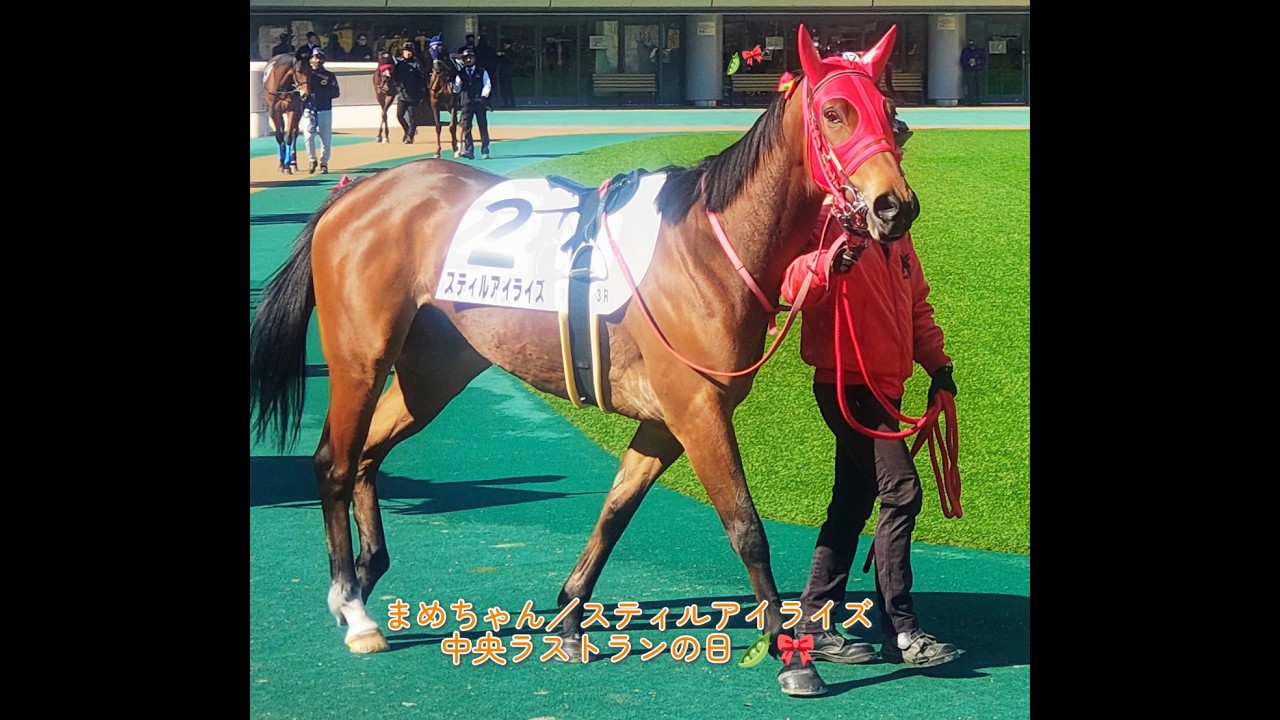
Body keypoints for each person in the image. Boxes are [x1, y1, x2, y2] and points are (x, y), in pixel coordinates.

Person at [776, 120, 960, 686]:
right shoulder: (825, 218)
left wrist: (940, 369)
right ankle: (902, 629)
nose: (892, 161)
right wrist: (827, 263)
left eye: (896, 150)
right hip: (847, 385)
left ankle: (813, 624)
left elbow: (917, 304)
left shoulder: (896, 228)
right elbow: (790, 286)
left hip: (888, 385)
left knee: (851, 507)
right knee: (901, 492)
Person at [302, 48, 340, 174]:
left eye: (319, 57)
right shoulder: (306, 75)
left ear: (323, 59)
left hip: (325, 110)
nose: (316, 60)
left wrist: (322, 93)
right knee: (308, 137)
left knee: (325, 138)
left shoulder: (329, 76)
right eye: (314, 57)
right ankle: (312, 160)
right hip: (309, 110)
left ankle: (324, 163)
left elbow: (336, 93)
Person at [451, 48, 492, 159]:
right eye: (466, 58)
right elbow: (457, 89)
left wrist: (484, 96)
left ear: (474, 58)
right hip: (466, 103)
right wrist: (451, 84)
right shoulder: (461, 73)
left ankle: (485, 149)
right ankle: (469, 150)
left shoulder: (482, 71)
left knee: (482, 125)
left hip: (479, 102)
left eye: (470, 57)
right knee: (466, 127)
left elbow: (487, 84)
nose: (468, 59)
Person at [391, 42, 427, 143]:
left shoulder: (417, 64)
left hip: (414, 95)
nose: (408, 53)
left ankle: (409, 137)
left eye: (410, 51)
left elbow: (423, 78)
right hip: (402, 94)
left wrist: (421, 92)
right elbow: (395, 77)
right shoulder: (399, 63)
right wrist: (397, 87)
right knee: (399, 115)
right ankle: (408, 131)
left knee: (413, 117)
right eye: (406, 51)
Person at [960, 39, 987, 106]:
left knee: (978, 87)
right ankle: (971, 101)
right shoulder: (965, 51)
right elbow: (962, 60)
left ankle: (978, 101)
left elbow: (983, 60)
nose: (972, 46)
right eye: (970, 45)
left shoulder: (979, 51)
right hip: (969, 71)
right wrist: (968, 63)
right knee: (970, 87)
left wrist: (978, 63)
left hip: (978, 71)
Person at [496, 38, 516, 108]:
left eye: (507, 44)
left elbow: (512, 60)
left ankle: (512, 103)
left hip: (508, 71)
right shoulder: (502, 51)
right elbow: (497, 60)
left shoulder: (511, 52)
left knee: (509, 88)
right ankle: (505, 103)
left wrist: (504, 55)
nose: (505, 45)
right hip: (502, 71)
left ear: (510, 45)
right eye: (505, 44)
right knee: (503, 88)